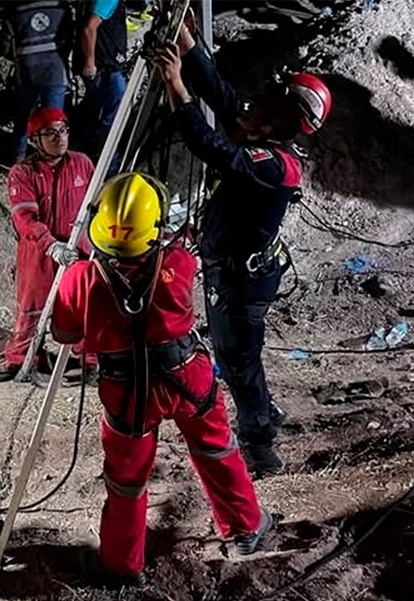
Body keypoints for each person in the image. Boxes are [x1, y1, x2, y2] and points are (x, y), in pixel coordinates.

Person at [51, 172, 274, 586]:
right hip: (185, 375)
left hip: (127, 391)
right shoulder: (178, 262)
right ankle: (244, 530)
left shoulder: (79, 278)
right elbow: (172, 253)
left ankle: (122, 563)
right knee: (216, 451)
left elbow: (65, 335)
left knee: (126, 478)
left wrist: (76, 281)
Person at [151, 20, 332, 476]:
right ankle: (264, 410)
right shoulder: (261, 130)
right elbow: (219, 92)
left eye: (277, 93)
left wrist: (174, 83)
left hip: (240, 278)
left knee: (236, 359)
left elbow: (208, 144)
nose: (262, 95)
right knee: (242, 355)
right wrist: (186, 40)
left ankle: (260, 442)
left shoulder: (277, 164)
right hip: (231, 267)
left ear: (286, 117)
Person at [0, 107, 95, 383]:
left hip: (77, 249)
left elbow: (96, 205)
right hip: (38, 251)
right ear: (34, 140)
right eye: (50, 133)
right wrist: (51, 246)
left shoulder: (82, 164)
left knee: (81, 305)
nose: (59, 138)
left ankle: (90, 360)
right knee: (32, 306)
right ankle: (21, 359)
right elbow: (24, 218)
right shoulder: (23, 173)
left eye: (63, 130)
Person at [2, 0, 75, 159]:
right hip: (55, 70)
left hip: (27, 71)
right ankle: (52, 159)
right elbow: (70, 39)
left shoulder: (16, 9)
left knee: (23, 114)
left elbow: (5, 47)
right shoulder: (61, 6)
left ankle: (18, 155)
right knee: (54, 120)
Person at [76, 0, 128, 160]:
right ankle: (107, 160)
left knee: (93, 107)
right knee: (113, 116)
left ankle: (84, 150)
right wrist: (90, 63)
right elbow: (89, 28)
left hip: (102, 64)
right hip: (105, 66)